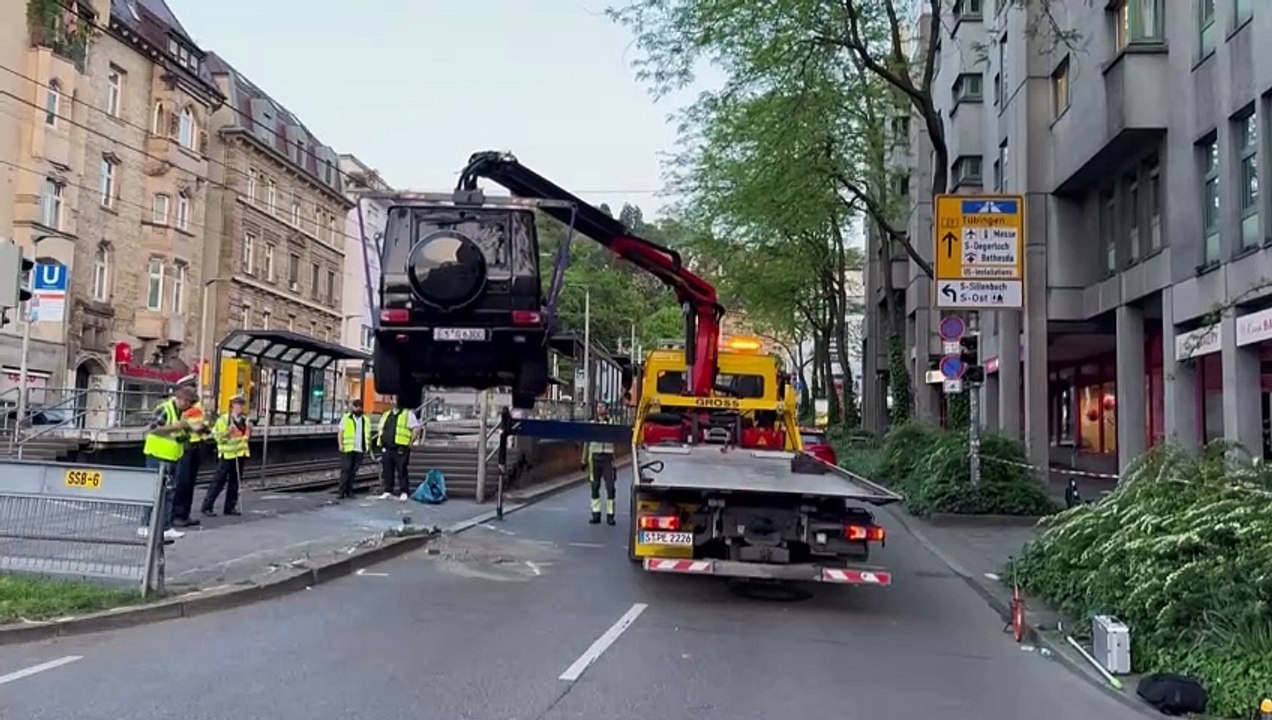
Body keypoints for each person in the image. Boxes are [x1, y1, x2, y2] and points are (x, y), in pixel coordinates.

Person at [140, 385, 199, 541]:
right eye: (189, 403)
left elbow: (176, 435)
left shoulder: (181, 413)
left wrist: (186, 435)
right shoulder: (165, 409)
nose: (190, 406)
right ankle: (145, 525)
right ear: (182, 399)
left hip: (170, 456)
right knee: (154, 491)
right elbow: (153, 429)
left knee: (167, 492)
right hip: (157, 455)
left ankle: (165, 527)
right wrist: (176, 427)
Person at [202, 394, 250, 516]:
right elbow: (217, 437)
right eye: (238, 404)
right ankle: (207, 506)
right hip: (227, 455)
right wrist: (227, 433)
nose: (241, 407)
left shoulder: (245, 421)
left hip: (239, 454)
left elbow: (244, 438)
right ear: (232, 406)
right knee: (218, 482)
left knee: (235, 483)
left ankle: (230, 507)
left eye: (242, 405)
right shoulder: (223, 420)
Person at [171, 376, 209, 528]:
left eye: (194, 386)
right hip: (186, 447)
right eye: (190, 387)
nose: (193, 390)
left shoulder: (195, 406)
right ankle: (178, 515)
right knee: (183, 482)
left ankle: (184, 514)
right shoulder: (185, 406)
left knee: (189, 483)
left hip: (195, 446)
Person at [377, 396, 421, 501]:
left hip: (400, 448)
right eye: (393, 399)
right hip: (387, 447)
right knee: (387, 470)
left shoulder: (407, 414)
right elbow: (381, 428)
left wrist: (410, 442)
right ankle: (388, 490)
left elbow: (416, 428)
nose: (395, 402)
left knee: (402, 470)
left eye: (397, 400)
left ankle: (404, 491)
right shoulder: (386, 415)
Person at [584, 401, 618, 526]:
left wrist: (615, 461)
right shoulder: (592, 424)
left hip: (608, 457)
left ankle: (610, 515)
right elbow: (586, 443)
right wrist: (583, 460)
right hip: (594, 457)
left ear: (607, 409)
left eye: (602, 406)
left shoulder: (612, 423)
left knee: (610, 488)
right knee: (595, 487)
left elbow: (617, 438)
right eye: (598, 406)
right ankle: (596, 514)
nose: (600, 408)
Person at [337, 399, 371, 499]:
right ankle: (341, 492)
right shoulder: (346, 418)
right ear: (353, 407)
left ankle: (349, 491)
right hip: (348, 448)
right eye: (356, 407)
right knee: (346, 470)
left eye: (359, 407)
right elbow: (340, 432)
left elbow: (367, 435)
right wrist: (340, 444)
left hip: (360, 449)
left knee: (353, 471)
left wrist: (368, 447)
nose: (358, 409)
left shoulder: (366, 419)